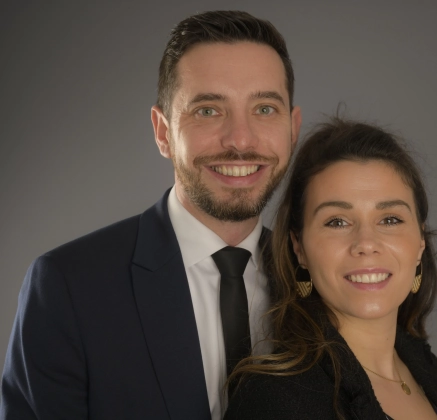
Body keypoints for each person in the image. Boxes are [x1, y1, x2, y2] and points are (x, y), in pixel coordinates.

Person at [0, 10, 301, 420]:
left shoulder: (315, 277)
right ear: (163, 132)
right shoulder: (68, 287)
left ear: (292, 129)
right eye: (208, 110)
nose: (240, 140)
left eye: (264, 109)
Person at [223, 118, 437, 420]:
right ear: (299, 247)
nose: (366, 243)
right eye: (337, 222)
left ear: (420, 241)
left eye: (390, 219)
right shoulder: (273, 401)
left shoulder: (429, 371)